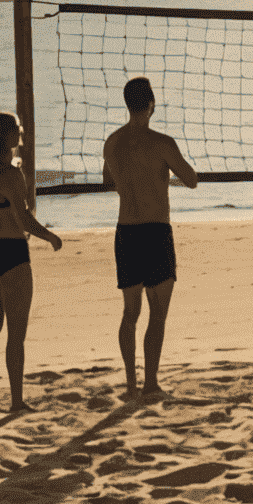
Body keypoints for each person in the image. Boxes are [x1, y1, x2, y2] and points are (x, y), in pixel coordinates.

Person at [103, 76, 198, 399]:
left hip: (126, 231)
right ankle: (151, 383)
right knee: (157, 313)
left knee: (130, 314)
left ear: (128, 104)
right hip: (156, 230)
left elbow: (107, 179)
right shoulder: (162, 143)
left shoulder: (112, 143)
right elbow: (191, 180)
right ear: (152, 104)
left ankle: (130, 385)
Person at [0, 111, 62, 413]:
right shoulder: (10, 174)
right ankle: (17, 402)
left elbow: (12, 214)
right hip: (11, 255)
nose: (21, 133)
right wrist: (50, 237)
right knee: (15, 335)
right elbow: (23, 220)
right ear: (7, 135)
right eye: (17, 129)